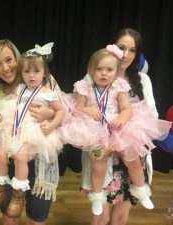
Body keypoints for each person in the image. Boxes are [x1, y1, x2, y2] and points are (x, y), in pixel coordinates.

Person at [60, 43, 169, 216]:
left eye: (109, 69)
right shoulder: (84, 86)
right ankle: (97, 196)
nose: (104, 73)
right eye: (99, 69)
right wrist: (88, 110)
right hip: (94, 129)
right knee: (98, 166)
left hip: (118, 127)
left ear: (116, 70)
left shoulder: (119, 86)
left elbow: (127, 109)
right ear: (91, 69)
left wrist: (122, 118)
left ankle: (141, 190)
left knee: (132, 159)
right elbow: (77, 108)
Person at [83, 28, 171, 225]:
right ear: (112, 47)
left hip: (131, 153)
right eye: (122, 47)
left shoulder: (143, 80)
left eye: (132, 50)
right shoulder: (98, 76)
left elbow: (153, 116)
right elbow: (81, 109)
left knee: (121, 217)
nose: (126, 55)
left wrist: (124, 123)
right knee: (101, 216)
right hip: (103, 150)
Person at [0, 39, 60, 225]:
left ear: (18, 58)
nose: (5, 68)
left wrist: (49, 113)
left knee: (36, 220)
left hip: (39, 163)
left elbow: (65, 115)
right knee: (9, 219)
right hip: (6, 163)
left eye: (8, 60)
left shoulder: (43, 81)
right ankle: (3, 193)